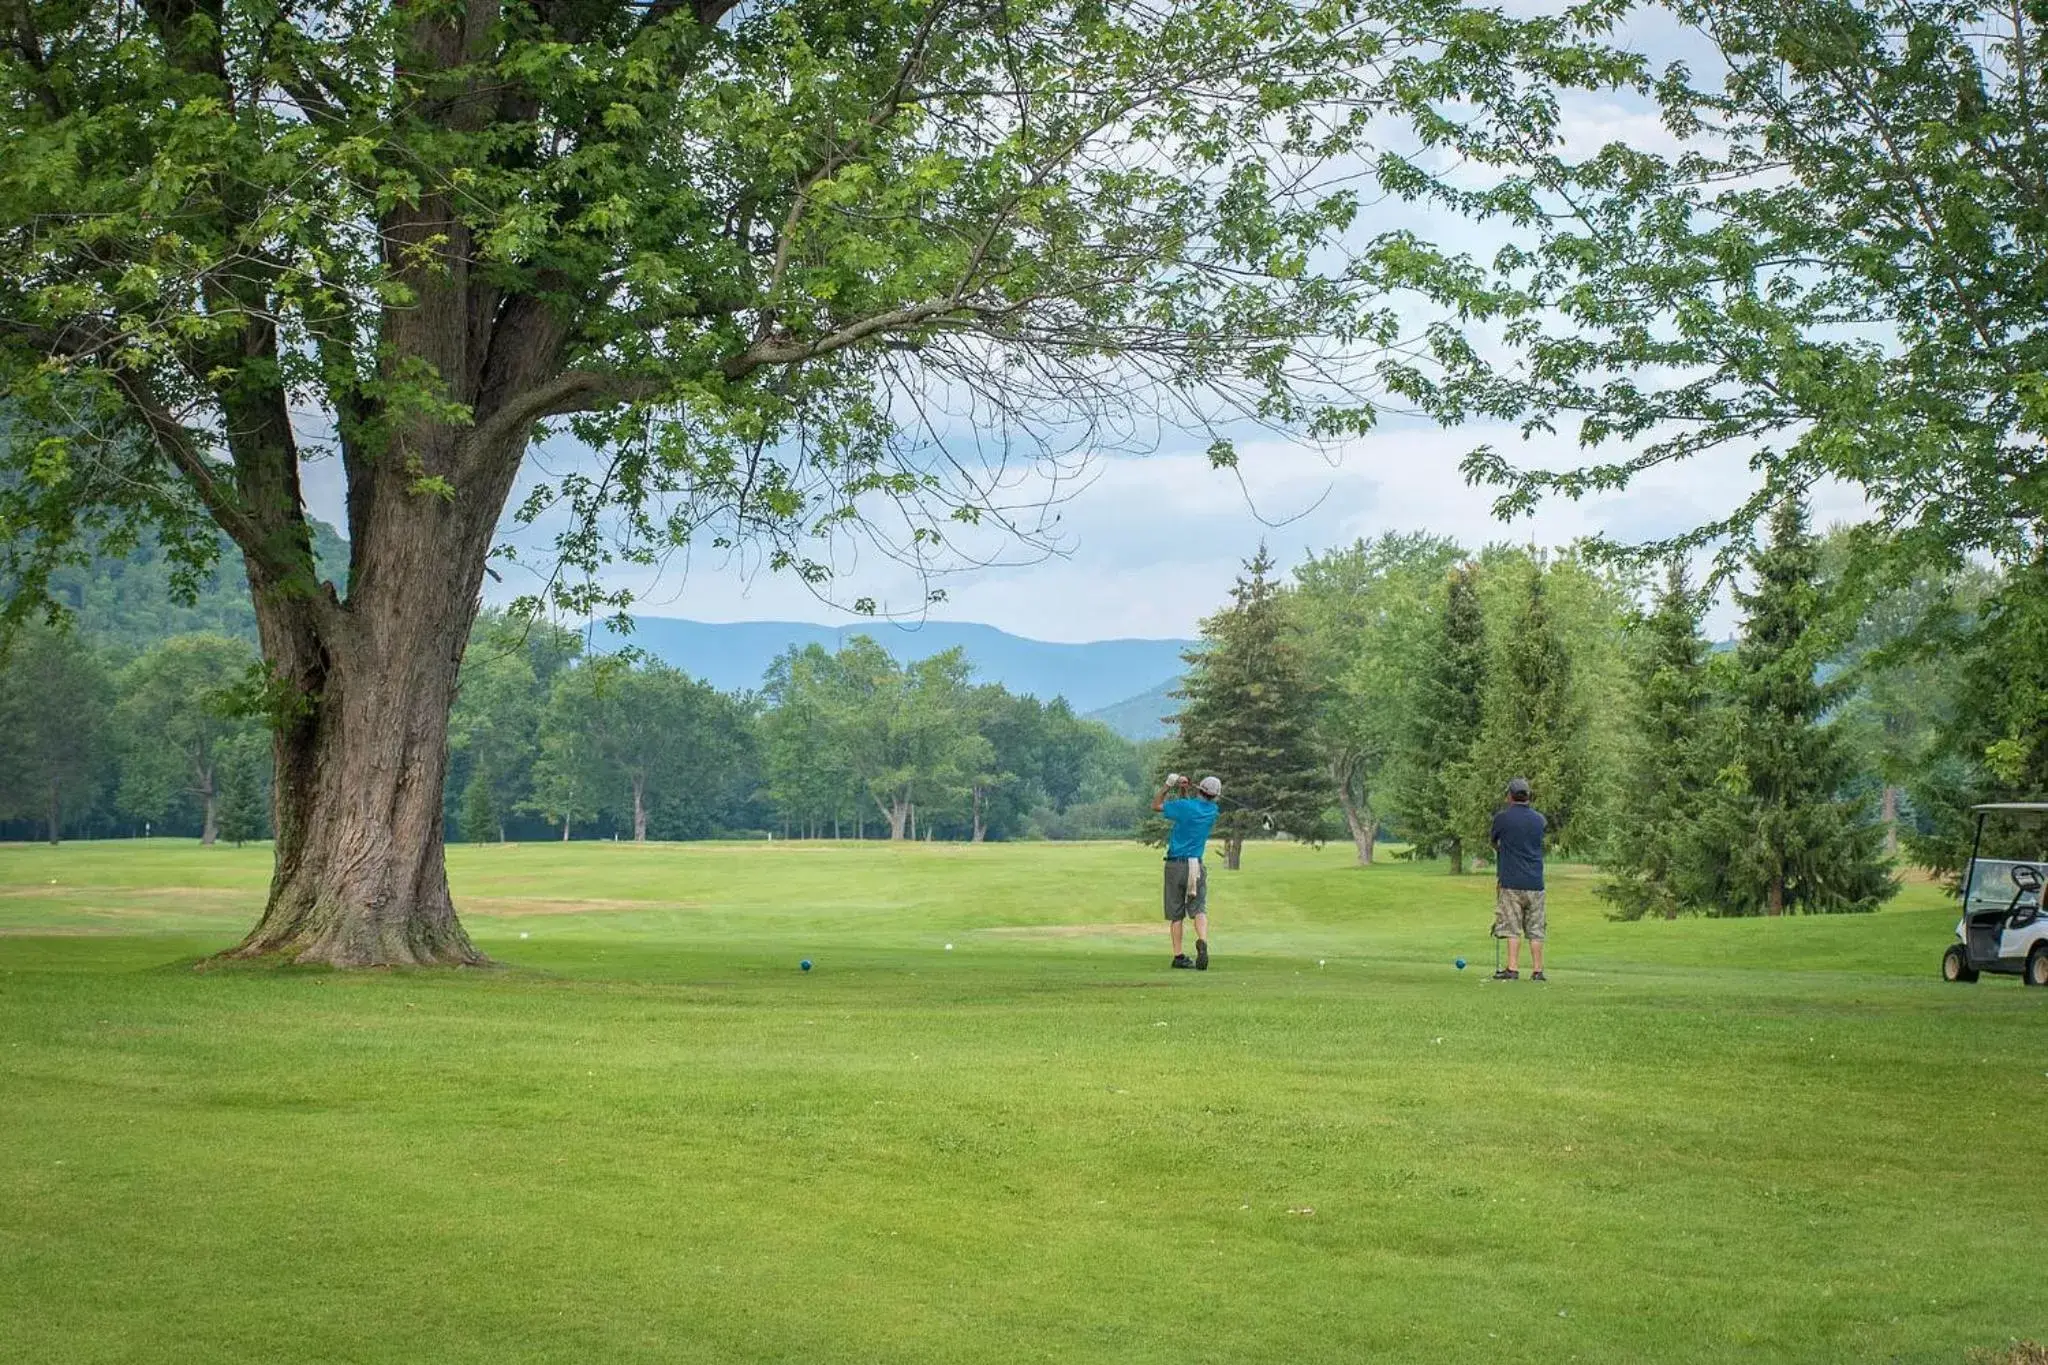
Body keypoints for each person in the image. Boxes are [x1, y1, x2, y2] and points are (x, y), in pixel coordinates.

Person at [1153, 773, 1222, 970]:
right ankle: (1202, 940)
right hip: (1196, 865)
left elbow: (1156, 805)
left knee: (1176, 913)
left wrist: (1168, 785)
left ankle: (1179, 956)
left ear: (1200, 790)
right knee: (1198, 908)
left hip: (1175, 864)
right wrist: (1184, 789)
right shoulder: (1212, 811)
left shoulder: (1186, 807)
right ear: (1215, 796)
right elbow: (1189, 807)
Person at [1490, 776, 1547, 980]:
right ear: (1528, 796)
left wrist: (1503, 851)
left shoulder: (1502, 819)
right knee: (1536, 928)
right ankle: (1538, 970)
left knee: (1512, 927)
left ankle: (1512, 969)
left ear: (1510, 796)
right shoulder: (1539, 819)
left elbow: (1494, 841)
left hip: (1511, 881)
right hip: (1535, 881)